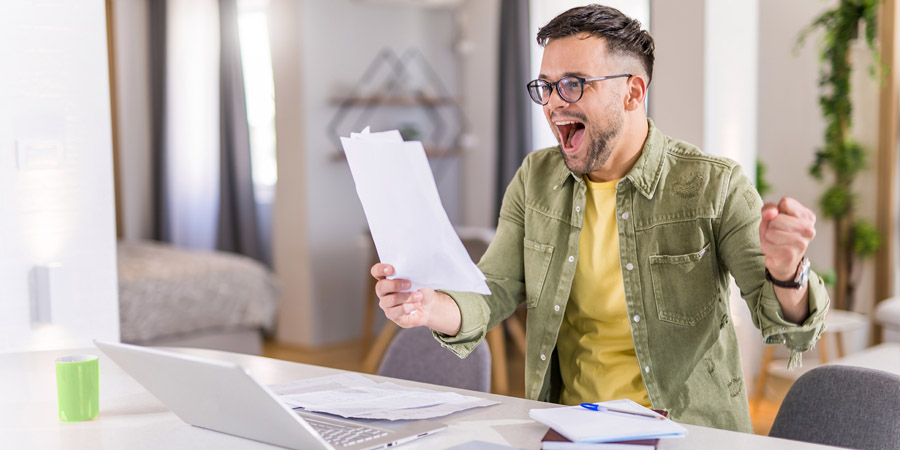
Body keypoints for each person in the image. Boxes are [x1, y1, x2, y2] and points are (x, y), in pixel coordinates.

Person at [370, 4, 829, 432]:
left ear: (632, 91)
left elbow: (788, 325)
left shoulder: (715, 185)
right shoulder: (535, 178)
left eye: (573, 83)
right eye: (546, 86)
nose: (553, 103)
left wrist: (788, 273)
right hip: (567, 428)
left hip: (683, 431)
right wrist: (429, 306)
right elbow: (492, 291)